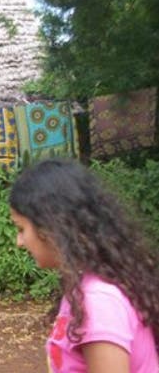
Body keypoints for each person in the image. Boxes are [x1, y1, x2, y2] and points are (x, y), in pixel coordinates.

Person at [9, 158, 159, 373]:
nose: (19, 241)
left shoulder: (98, 301)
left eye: (21, 229)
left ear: (51, 229)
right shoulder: (89, 286)